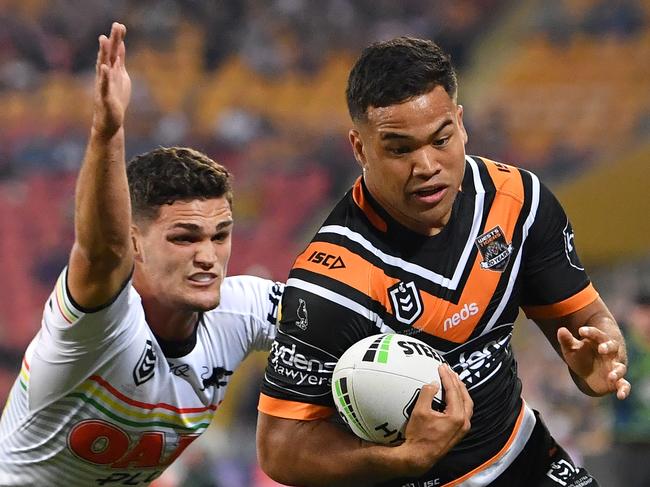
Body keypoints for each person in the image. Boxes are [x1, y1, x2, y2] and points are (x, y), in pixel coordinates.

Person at [256, 36, 630, 487]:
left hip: (525, 458)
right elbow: (279, 448)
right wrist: (402, 460)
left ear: (461, 123)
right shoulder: (328, 286)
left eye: (441, 139)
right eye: (399, 149)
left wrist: (597, 361)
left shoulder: (518, 204)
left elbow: (585, 322)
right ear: (359, 148)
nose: (427, 165)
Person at [0, 23, 283, 486]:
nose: (209, 257)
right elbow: (101, 251)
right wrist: (107, 129)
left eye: (220, 235)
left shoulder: (243, 308)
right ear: (135, 243)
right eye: (185, 238)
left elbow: (339, 313)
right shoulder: (97, 326)